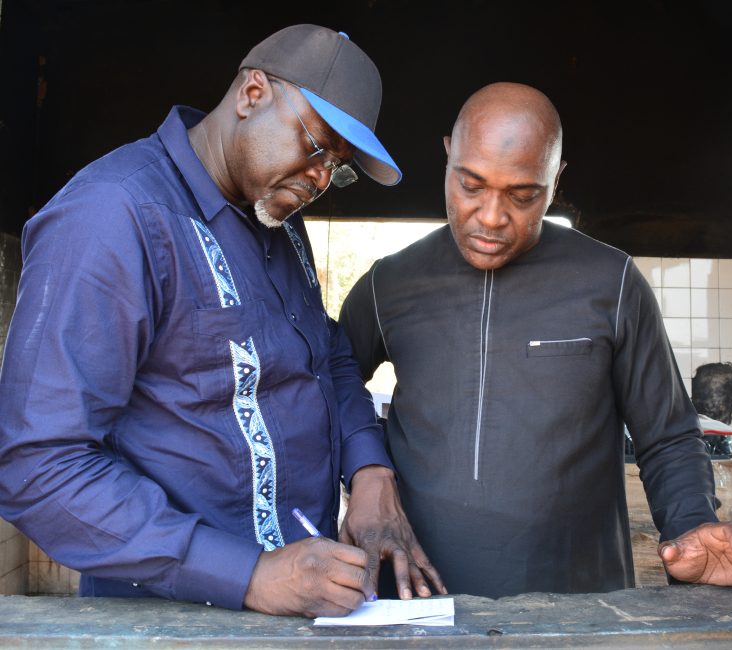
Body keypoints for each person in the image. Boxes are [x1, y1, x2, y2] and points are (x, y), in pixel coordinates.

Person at [0, 25, 444, 617]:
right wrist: (249, 574)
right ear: (252, 94)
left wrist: (370, 470)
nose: (320, 179)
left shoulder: (277, 220)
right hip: (168, 622)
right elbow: (37, 465)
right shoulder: (113, 214)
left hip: (305, 608)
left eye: (337, 167)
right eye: (317, 145)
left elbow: (327, 354)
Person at [339, 82, 732, 598]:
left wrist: (690, 525)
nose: (491, 216)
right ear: (448, 156)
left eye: (523, 195)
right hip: (417, 604)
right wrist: (367, 472)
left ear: (556, 181)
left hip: (579, 604)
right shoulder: (389, 283)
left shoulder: (612, 283)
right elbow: (328, 387)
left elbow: (667, 436)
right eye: (470, 184)